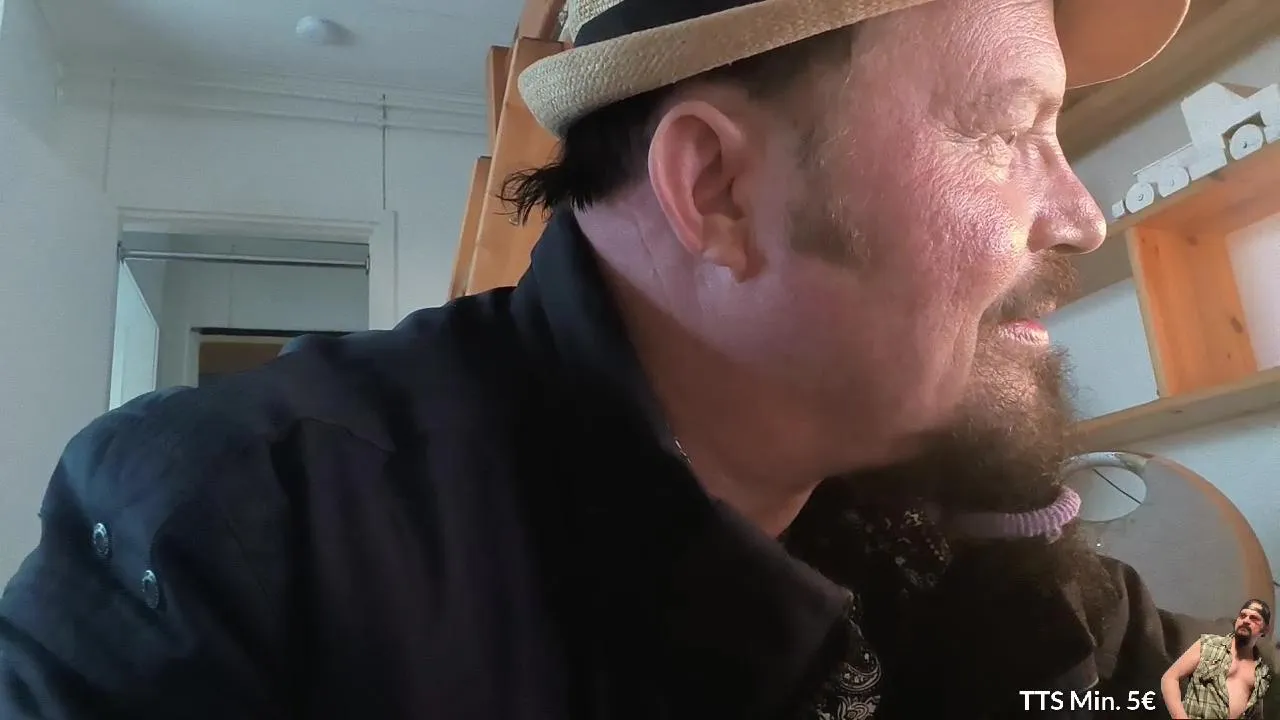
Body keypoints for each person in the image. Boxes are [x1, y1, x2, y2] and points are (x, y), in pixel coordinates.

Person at [0, 0, 1234, 718]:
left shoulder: (954, 514)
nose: (1080, 216)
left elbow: (1216, 685)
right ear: (716, 189)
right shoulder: (236, 542)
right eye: (1009, 130)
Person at [1161, 599, 1274, 719]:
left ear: (1265, 630)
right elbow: (1170, 678)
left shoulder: (1261, 672)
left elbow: (1256, 713)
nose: (1246, 620)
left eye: (1254, 618)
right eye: (1242, 615)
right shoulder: (1208, 644)